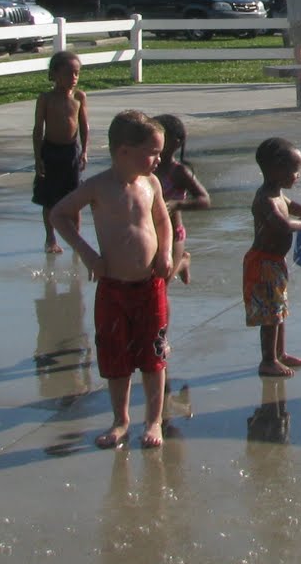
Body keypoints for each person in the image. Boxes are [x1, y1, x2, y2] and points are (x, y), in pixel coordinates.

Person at [51, 110, 174, 449]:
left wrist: (166, 253)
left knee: (154, 355)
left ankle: (153, 420)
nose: (159, 159)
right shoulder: (98, 187)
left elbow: (163, 221)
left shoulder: (151, 184)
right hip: (114, 287)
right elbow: (58, 214)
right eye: (153, 152)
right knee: (115, 358)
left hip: (150, 286)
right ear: (123, 152)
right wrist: (88, 254)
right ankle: (121, 420)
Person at [245, 136, 301, 378]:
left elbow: (290, 205)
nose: (297, 175)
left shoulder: (277, 193)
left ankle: (279, 353)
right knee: (270, 314)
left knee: (279, 311)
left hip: (275, 263)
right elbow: (282, 225)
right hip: (262, 263)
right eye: (294, 171)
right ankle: (267, 361)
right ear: (275, 170)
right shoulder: (265, 200)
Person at [33, 51, 89, 254]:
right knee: (49, 198)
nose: (73, 78)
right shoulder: (46, 98)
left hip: (71, 152)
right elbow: (38, 128)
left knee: (74, 198)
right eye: (68, 74)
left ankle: (76, 238)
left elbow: (84, 126)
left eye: (77, 74)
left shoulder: (79, 97)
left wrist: (84, 151)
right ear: (55, 74)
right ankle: (50, 238)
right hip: (50, 151)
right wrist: (37, 156)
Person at [154, 114, 209, 285]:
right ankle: (181, 262)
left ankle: (183, 261)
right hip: (150, 232)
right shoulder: (145, 168)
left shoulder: (178, 172)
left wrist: (177, 204)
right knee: (152, 284)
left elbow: (204, 200)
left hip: (173, 234)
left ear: (176, 142)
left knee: (163, 283)